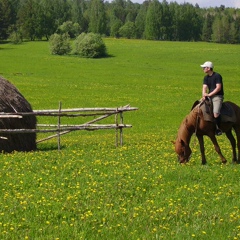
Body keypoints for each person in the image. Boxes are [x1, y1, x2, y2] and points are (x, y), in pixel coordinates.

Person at [200, 61, 224, 136]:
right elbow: (204, 87)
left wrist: (209, 95)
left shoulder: (217, 76)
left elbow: (218, 88)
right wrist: (204, 95)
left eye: (204, 67)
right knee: (198, 106)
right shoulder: (206, 77)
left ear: (209, 68)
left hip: (217, 96)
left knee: (216, 113)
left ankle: (218, 129)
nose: (203, 69)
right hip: (208, 96)